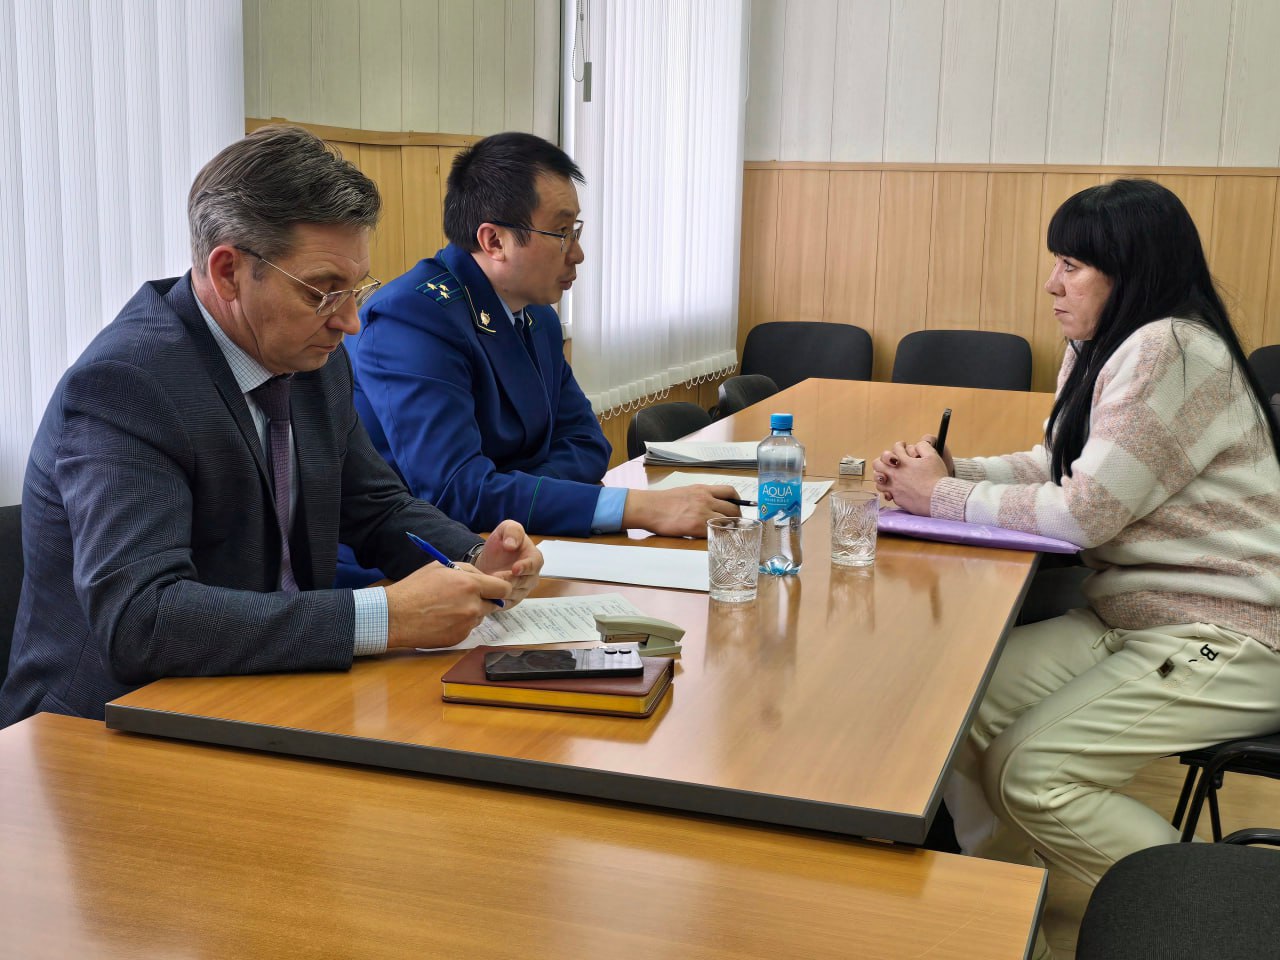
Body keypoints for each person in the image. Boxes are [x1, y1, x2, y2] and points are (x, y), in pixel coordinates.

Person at [0, 125, 542, 727]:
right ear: (229, 272)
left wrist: (475, 558)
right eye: (324, 290)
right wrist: (381, 616)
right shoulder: (126, 385)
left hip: (264, 693)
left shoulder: (308, 352)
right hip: (103, 731)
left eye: (357, 287)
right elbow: (141, 620)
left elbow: (377, 508)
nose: (352, 323)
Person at [873, 180, 1280, 944]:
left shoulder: (1172, 350)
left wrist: (942, 499)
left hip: (1231, 632)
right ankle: (1006, 921)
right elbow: (1062, 469)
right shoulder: (1107, 347)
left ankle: (1228, 919)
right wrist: (950, 476)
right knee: (953, 712)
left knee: (1032, 774)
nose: (1052, 283)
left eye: (1072, 265)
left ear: (1132, 273)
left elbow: (1084, 512)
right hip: (1134, 615)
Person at [339, 132, 738, 585]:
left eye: (577, 231)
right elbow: (455, 492)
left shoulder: (535, 316)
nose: (579, 254)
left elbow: (588, 445)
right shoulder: (411, 319)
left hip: (519, 546)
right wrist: (639, 507)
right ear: (494, 241)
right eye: (562, 233)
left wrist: (512, 492)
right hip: (410, 574)